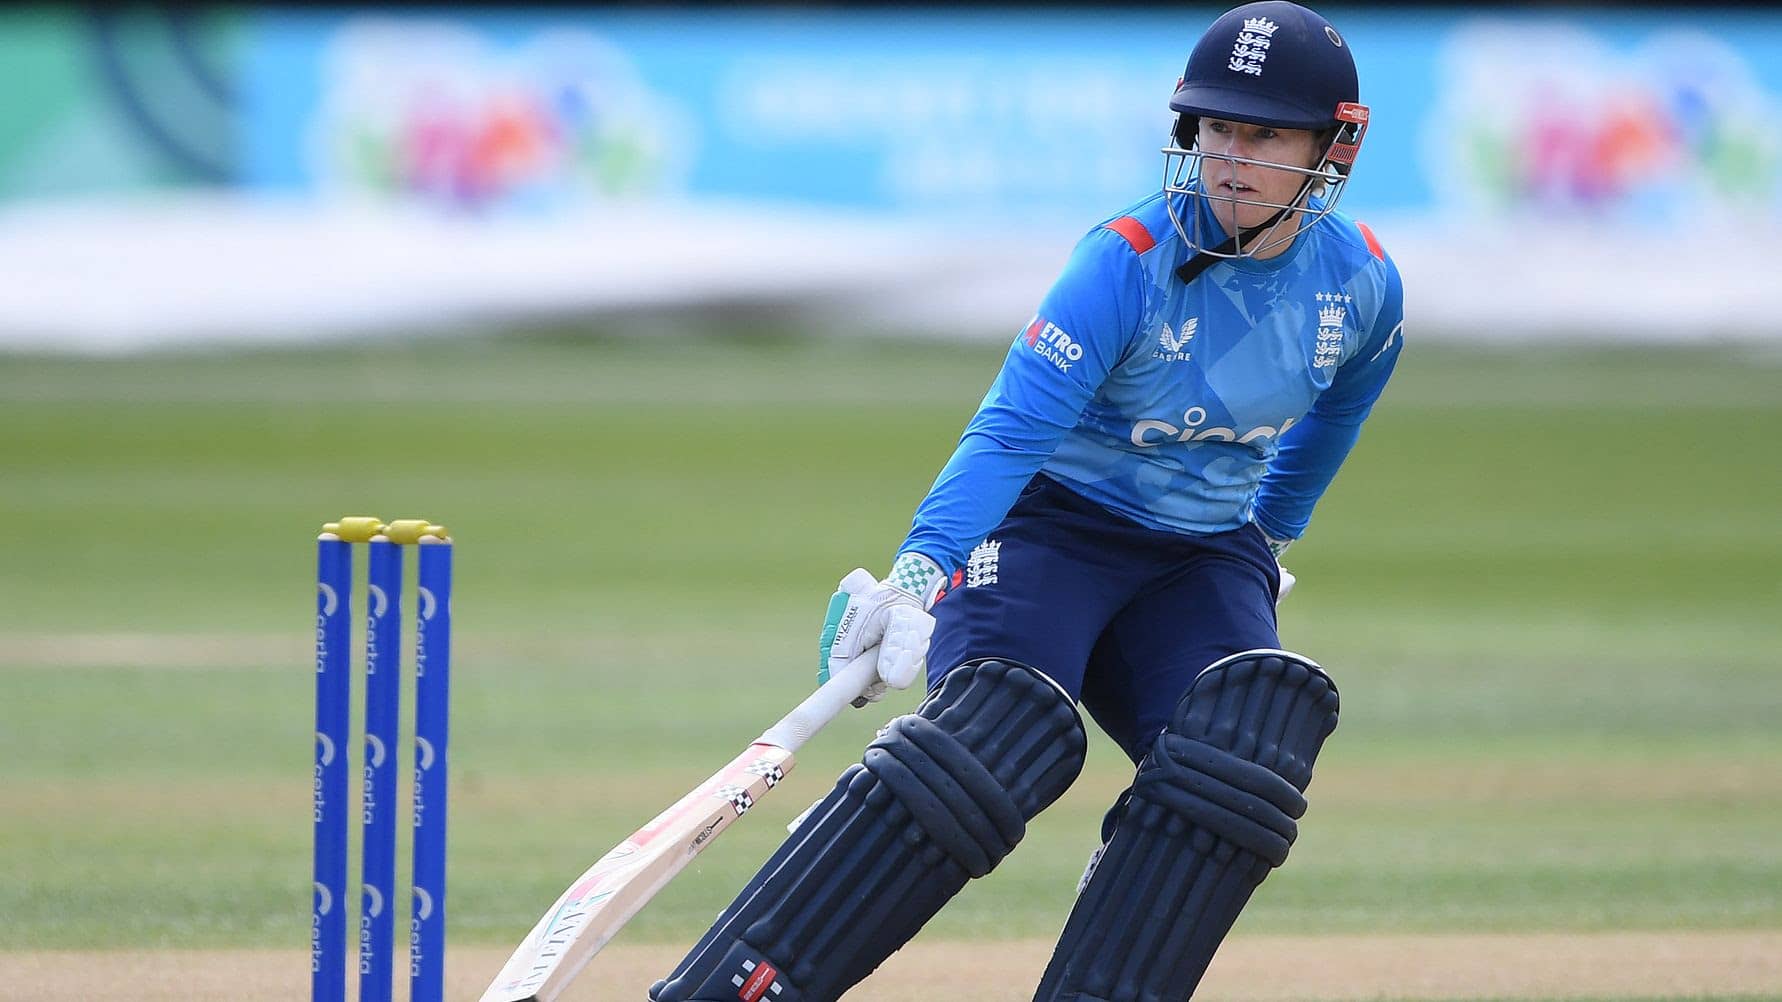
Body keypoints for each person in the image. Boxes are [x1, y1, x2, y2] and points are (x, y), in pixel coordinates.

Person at [653, 2, 1401, 998]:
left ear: (1333, 147)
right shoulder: (1124, 261)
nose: (1229, 156)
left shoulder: (1363, 287)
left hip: (1203, 554)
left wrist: (1265, 543)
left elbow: (1337, 414)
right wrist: (917, 578)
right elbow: (1011, 428)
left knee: (1245, 744)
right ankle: (738, 979)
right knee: (993, 743)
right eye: (1215, 128)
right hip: (1053, 531)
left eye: (1262, 133)